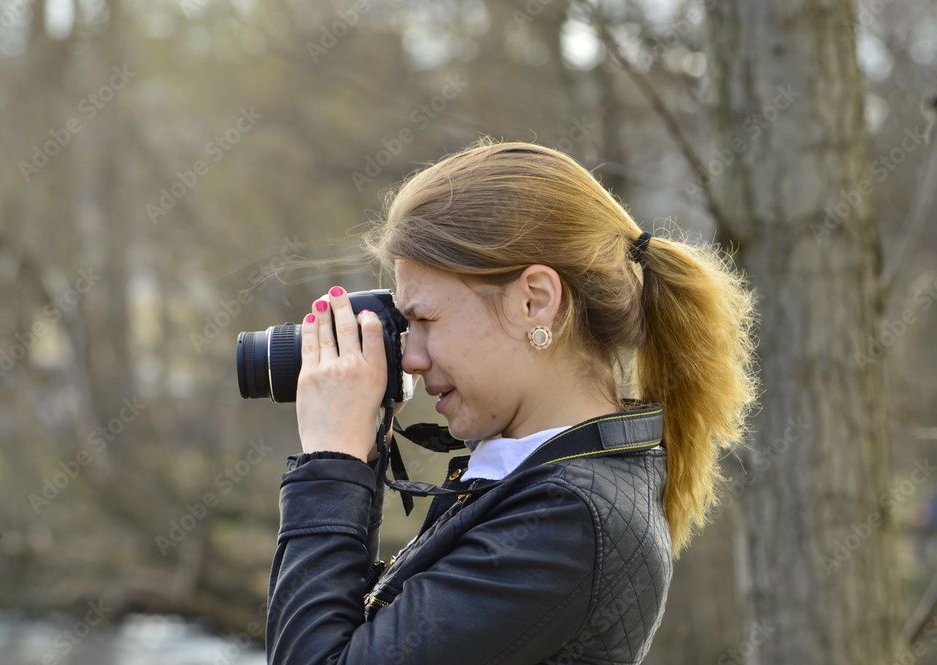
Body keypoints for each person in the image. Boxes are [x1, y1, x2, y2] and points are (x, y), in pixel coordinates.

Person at [265, 140, 757, 664]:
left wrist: (331, 463)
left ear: (534, 301)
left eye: (426, 320)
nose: (411, 358)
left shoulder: (566, 519)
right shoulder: (543, 485)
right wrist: (359, 458)